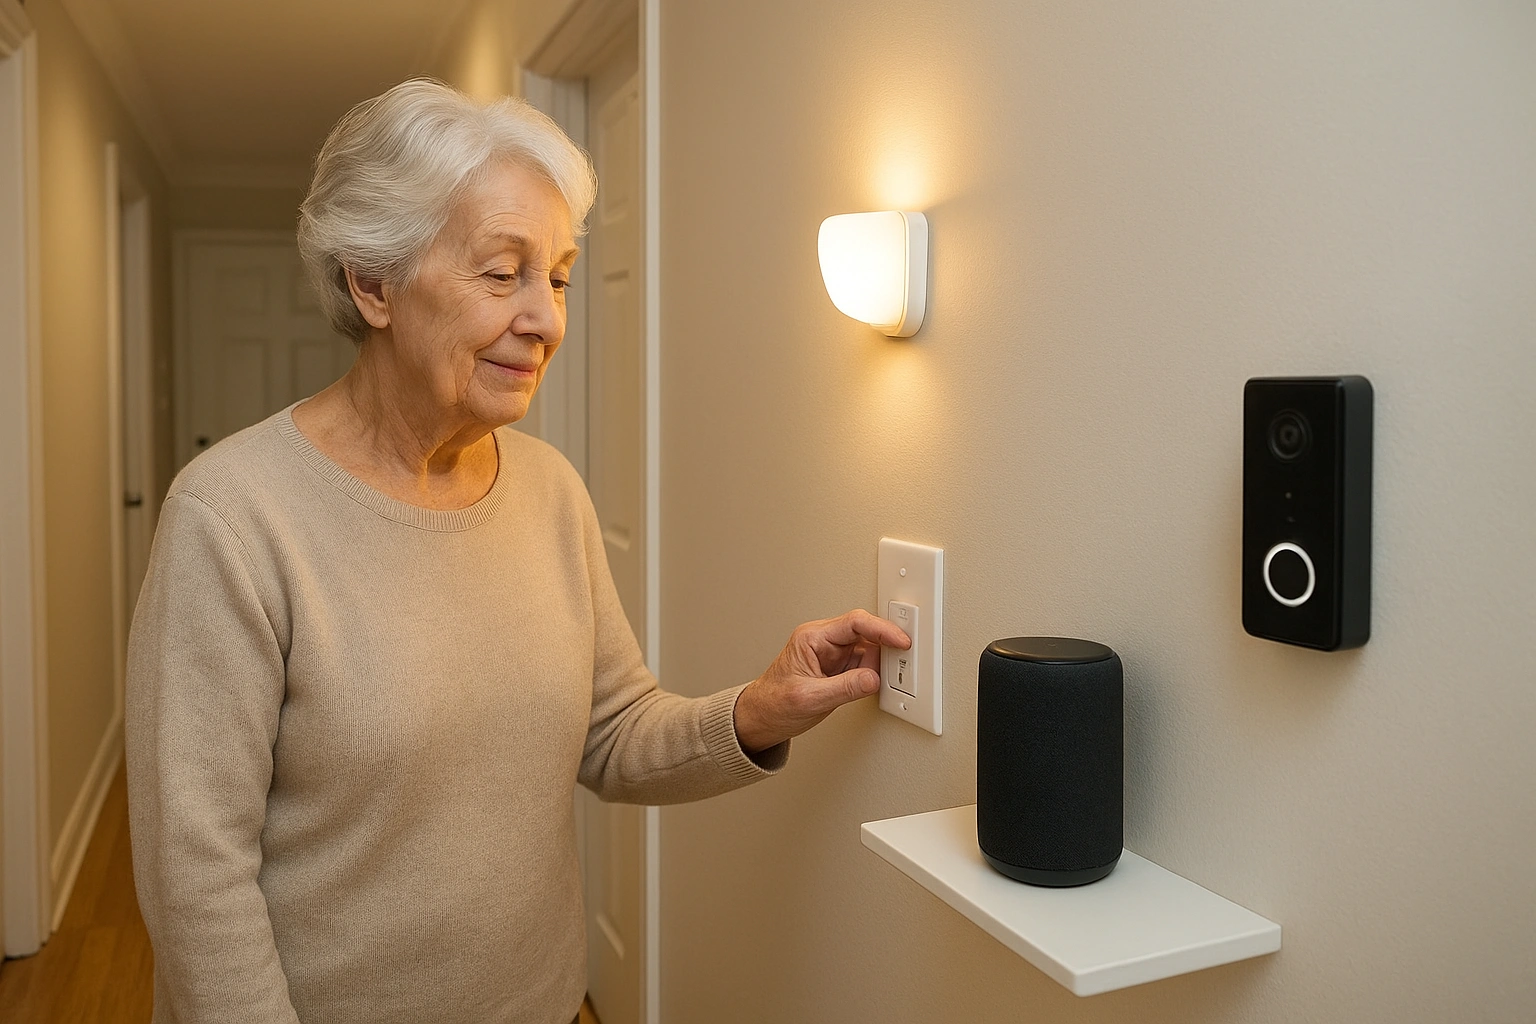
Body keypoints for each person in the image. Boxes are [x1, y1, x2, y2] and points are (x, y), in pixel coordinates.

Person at [124, 78, 909, 1024]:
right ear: (371, 282)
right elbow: (196, 883)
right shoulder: (234, 518)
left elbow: (613, 735)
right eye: (503, 273)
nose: (546, 319)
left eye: (560, 275)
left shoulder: (548, 492)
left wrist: (759, 709)